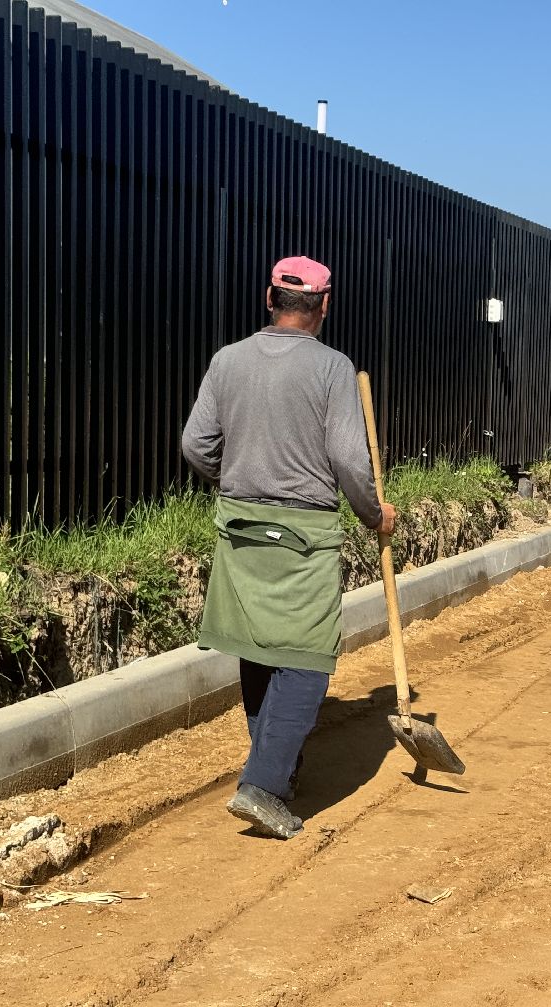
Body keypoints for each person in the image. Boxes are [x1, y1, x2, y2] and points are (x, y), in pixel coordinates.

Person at [181, 256, 395, 839]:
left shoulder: (228, 361)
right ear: (325, 305)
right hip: (306, 534)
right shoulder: (332, 369)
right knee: (305, 658)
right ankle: (264, 785)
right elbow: (351, 459)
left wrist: (239, 477)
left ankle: (278, 767)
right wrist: (375, 513)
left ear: (267, 298)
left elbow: (196, 445)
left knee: (259, 645)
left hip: (241, 526)